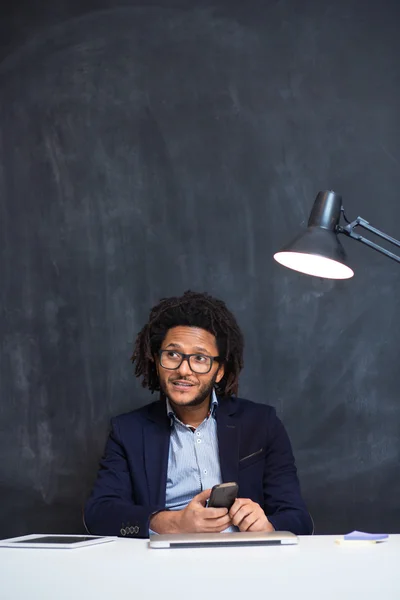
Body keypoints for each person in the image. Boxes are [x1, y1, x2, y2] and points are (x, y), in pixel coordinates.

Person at [84, 291, 313, 538]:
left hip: (245, 561)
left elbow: (299, 518)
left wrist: (268, 526)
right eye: (172, 354)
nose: (183, 370)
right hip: (162, 565)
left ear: (219, 371)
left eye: (200, 358)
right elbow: (99, 515)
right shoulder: (127, 430)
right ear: (156, 361)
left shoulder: (261, 424)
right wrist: (171, 523)